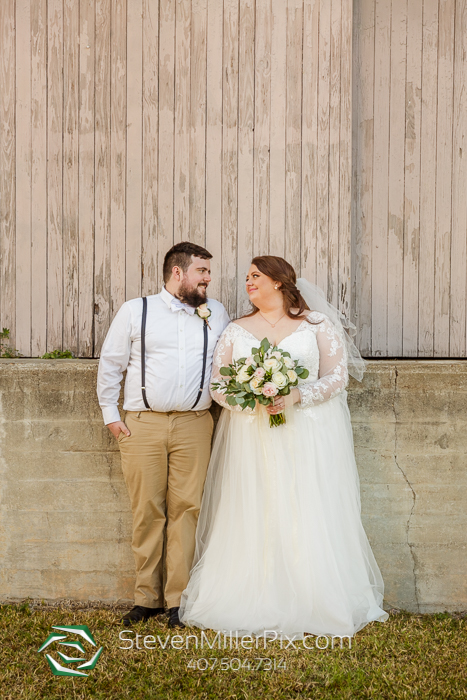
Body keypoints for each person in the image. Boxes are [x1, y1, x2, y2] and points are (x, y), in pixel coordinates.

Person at [179, 255, 388, 638]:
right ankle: (252, 596)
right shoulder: (236, 330)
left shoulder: (315, 324)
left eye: (255, 276)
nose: (248, 283)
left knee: (306, 505)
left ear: (279, 281)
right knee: (256, 506)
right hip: (251, 435)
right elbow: (219, 387)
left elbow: (337, 377)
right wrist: (251, 399)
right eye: (246, 278)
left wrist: (295, 396)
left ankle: (315, 596)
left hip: (307, 433)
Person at [97, 242, 230, 628]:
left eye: (208, 272)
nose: (208, 278)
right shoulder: (135, 311)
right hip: (143, 423)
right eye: (202, 271)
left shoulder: (216, 312)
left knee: (188, 510)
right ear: (178, 272)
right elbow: (111, 363)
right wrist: (111, 414)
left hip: (195, 423)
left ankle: (178, 600)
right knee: (147, 511)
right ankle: (146, 598)